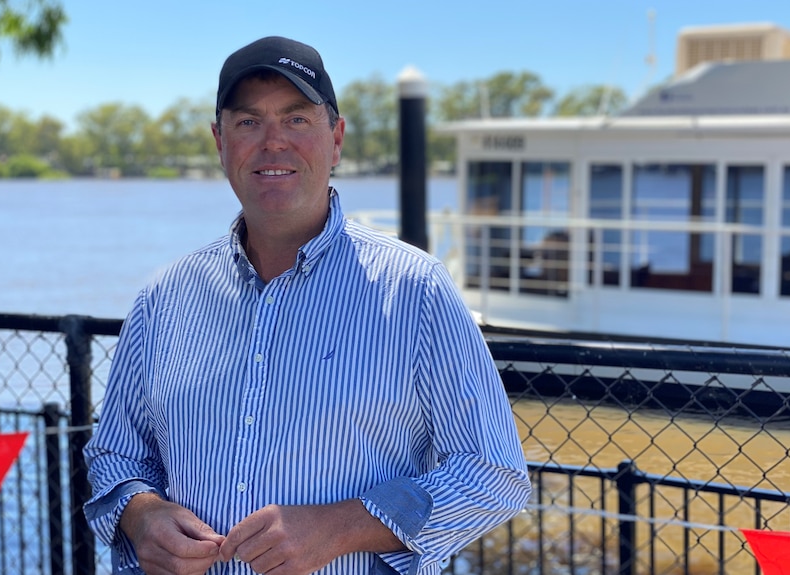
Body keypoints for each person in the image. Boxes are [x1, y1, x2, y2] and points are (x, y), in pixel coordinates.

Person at [83, 36, 531, 575]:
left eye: (297, 120)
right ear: (219, 142)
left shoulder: (416, 290)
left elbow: (493, 474)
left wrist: (341, 527)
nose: (273, 143)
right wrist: (143, 515)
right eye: (248, 122)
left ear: (336, 139)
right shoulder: (164, 298)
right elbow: (115, 455)